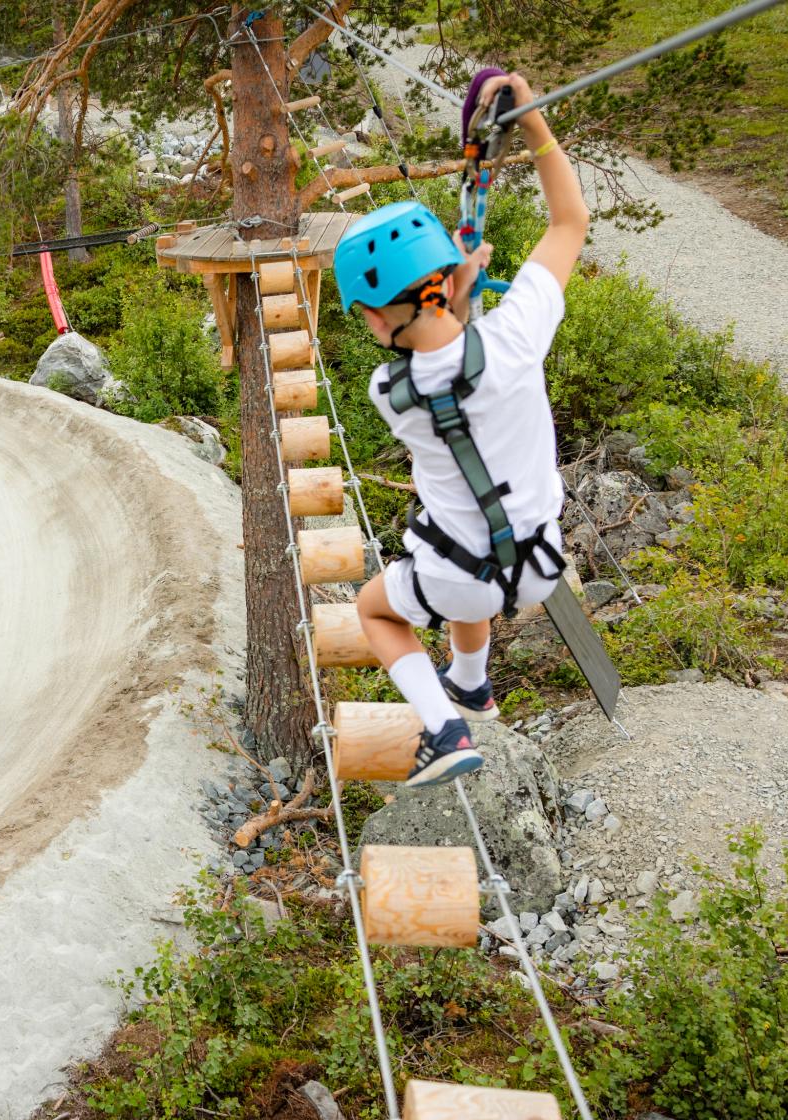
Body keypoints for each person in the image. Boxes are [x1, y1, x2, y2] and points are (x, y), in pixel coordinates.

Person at [333, 71, 588, 788]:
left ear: (379, 318)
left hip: (461, 581)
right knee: (453, 563)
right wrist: (535, 125)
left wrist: (455, 293)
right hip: (538, 567)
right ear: (444, 281)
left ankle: (445, 730)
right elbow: (569, 222)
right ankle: (471, 682)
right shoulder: (518, 337)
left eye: (366, 317)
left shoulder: (390, 391)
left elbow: (441, 357)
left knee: (377, 609)